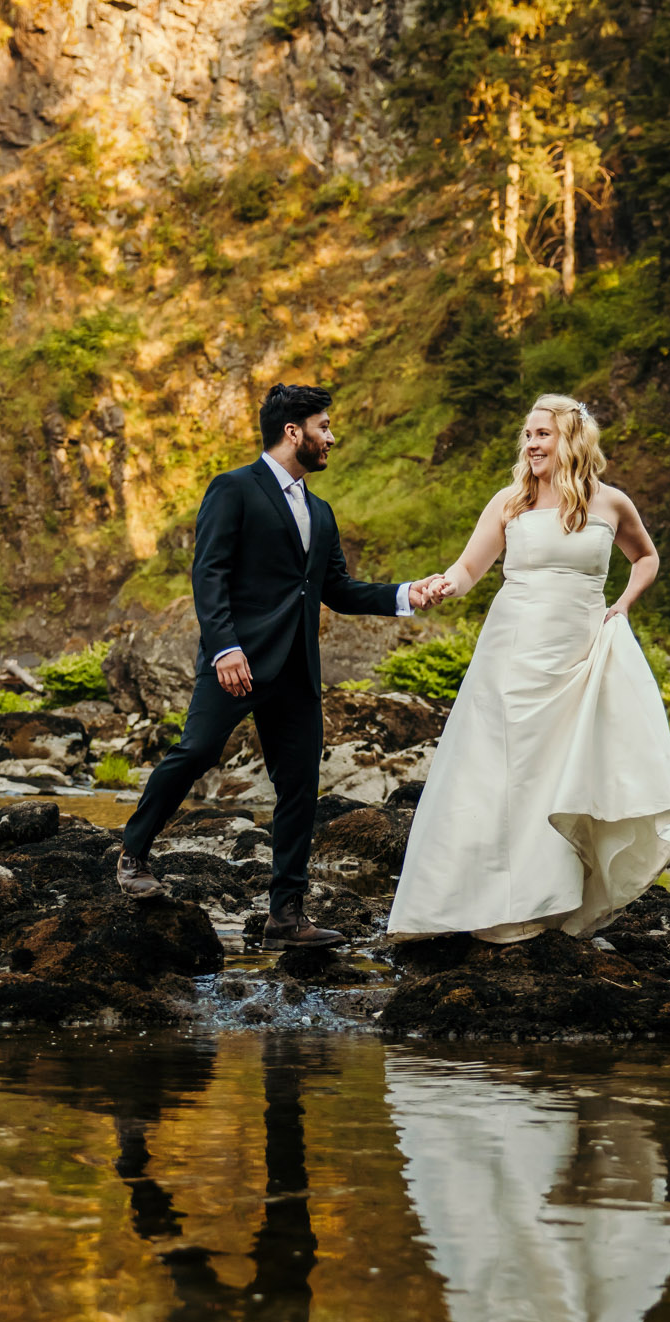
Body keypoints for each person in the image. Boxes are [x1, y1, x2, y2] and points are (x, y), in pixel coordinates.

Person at [115, 384, 442, 947]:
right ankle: (132, 855)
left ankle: (285, 917)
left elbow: (335, 589)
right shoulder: (234, 488)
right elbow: (209, 572)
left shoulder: (321, 511)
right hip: (236, 661)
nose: (331, 437)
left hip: (297, 669)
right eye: (324, 426)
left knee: (299, 786)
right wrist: (224, 647)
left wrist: (406, 594)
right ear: (294, 432)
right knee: (194, 752)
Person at [388, 395, 670, 942]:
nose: (530, 444)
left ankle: (555, 903)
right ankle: (486, 903)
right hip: (513, 655)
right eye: (527, 435)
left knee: (563, 776)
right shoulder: (510, 502)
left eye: (542, 434)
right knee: (504, 776)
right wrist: (441, 585)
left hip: (579, 660)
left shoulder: (611, 503)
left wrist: (622, 604)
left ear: (571, 439)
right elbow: (468, 568)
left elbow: (647, 557)